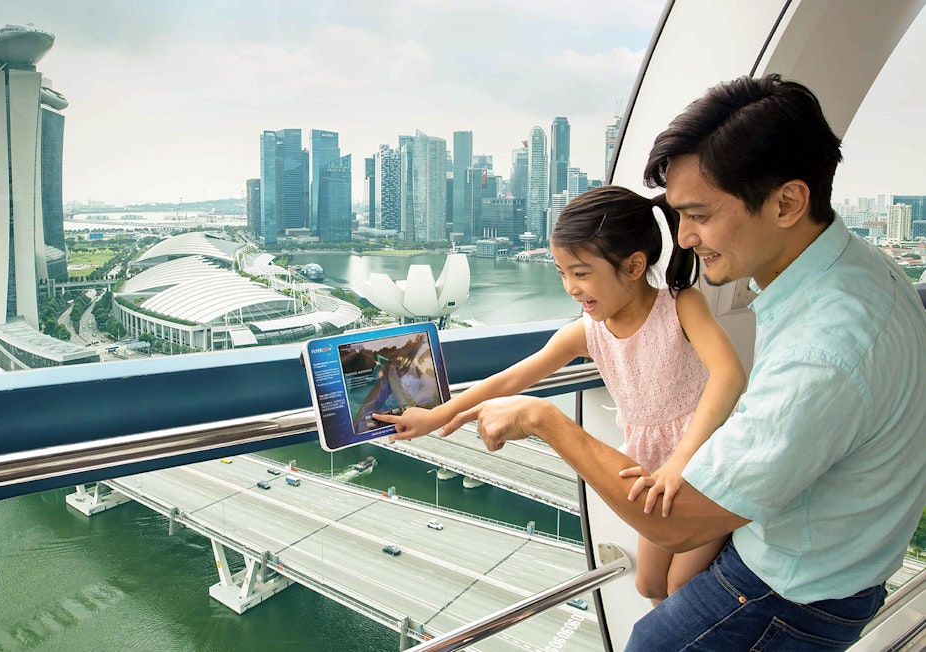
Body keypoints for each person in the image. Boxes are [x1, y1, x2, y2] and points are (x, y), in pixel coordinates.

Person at [443, 74, 926, 651]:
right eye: (677, 215)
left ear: (788, 202)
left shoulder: (825, 346)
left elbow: (676, 521)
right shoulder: (858, 274)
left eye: (699, 214)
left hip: (793, 587)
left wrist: (543, 420)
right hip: (846, 561)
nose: (686, 236)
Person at [377, 184, 746, 605]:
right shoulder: (586, 332)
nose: (570, 287)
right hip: (647, 466)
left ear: (633, 265)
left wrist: (679, 463)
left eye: (581, 273)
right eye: (562, 273)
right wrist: (437, 415)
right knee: (648, 585)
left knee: (681, 586)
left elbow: (728, 374)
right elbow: (510, 380)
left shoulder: (682, 305)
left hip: (704, 459)